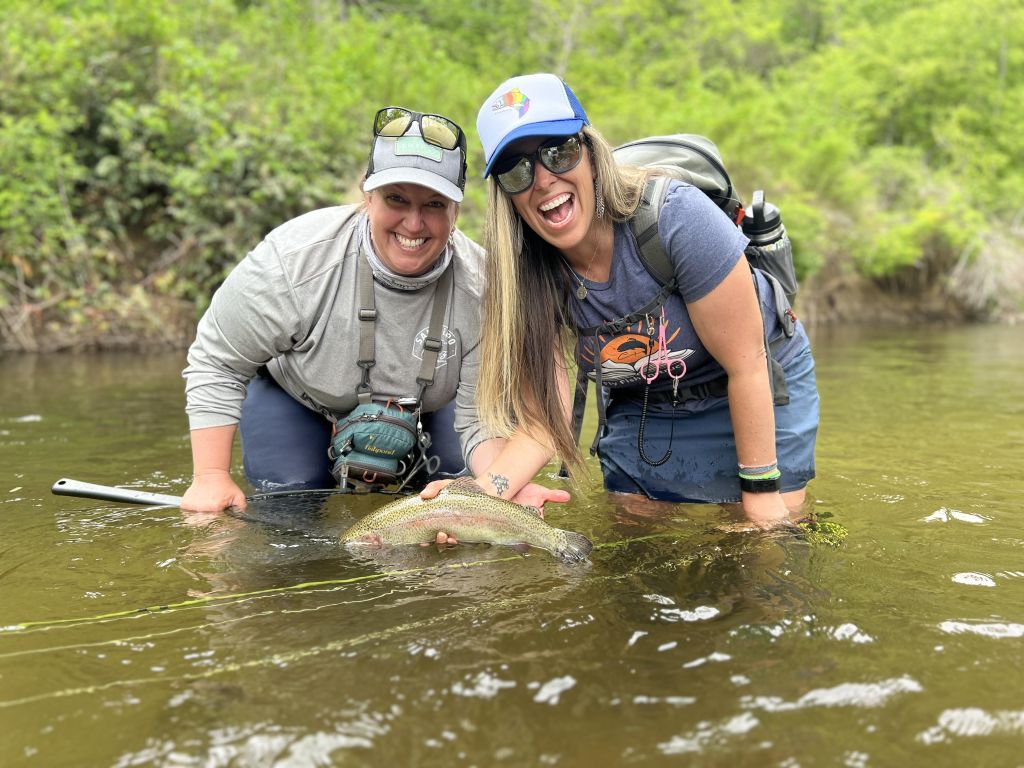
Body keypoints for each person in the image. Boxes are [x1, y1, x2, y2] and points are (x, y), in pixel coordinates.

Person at [446, 73, 819, 529]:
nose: (543, 179)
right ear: (507, 195)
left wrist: (760, 492)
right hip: (646, 397)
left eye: (558, 152)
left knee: (759, 534)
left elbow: (748, 365)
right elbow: (545, 423)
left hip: (751, 380)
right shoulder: (527, 275)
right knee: (631, 532)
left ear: (591, 154)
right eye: (517, 170)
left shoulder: (675, 217)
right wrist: (479, 498)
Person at [181, 106, 568, 514]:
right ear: (367, 194)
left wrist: (500, 490)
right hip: (299, 398)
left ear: (457, 210)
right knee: (289, 502)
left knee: (454, 496)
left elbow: (476, 421)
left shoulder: (484, 290)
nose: (414, 223)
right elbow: (217, 361)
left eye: (434, 204)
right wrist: (211, 478)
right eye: (396, 199)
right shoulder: (294, 261)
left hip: (429, 410)